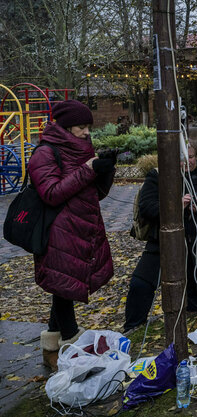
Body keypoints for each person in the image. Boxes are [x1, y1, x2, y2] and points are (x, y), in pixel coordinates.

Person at [29, 100, 115, 370]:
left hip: (80, 231)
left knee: (63, 288)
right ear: (65, 127)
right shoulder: (45, 153)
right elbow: (52, 193)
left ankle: (51, 346)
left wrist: (105, 170)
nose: (87, 132)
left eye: (89, 126)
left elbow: (96, 194)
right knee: (64, 287)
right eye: (81, 127)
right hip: (58, 234)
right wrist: (88, 170)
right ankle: (71, 345)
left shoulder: (79, 150)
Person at [124, 145, 197, 332]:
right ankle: (134, 326)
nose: (187, 163)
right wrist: (174, 206)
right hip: (162, 239)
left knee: (195, 282)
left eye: (191, 157)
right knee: (142, 282)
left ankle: (193, 321)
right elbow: (147, 207)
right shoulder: (158, 176)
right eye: (181, 159)